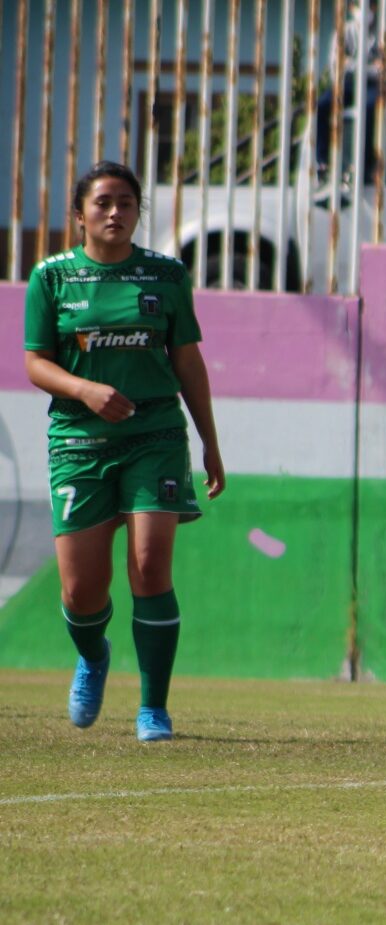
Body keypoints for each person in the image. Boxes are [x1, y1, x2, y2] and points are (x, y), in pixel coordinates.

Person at [22, 161, 226, 742]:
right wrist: (84, 389)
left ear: (140, 211)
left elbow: (188, 361)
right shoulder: (52, 277)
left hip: (155, 436)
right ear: (80, 214)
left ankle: (153, 708)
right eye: (104, 202)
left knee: (149, 564)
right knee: (81, 591)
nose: (116, 212)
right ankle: (92, 654)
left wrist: (210, 442)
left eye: (127, 203)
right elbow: (35, 362)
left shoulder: (166, 275)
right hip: (78, 443)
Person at [314, 0, 386, 181]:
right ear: (352, 8)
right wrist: (369, 66)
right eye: (359, 6)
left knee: (368, 109)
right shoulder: (343, 31)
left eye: (369, 6)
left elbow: (385, 71)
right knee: (322, 105)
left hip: (377, 87)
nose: (364, 10)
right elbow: (335, 67)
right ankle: (322, 161)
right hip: (349, 85)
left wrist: (351, 63)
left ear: (375, 8)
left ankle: (363, 165)